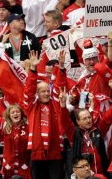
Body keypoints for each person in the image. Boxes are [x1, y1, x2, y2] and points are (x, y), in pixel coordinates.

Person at [22, 50, 66, 179]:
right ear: (37, 93)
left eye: (48, 91)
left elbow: (60, 86)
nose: (46, 94)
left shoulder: (56, 104)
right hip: (37, 152)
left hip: (55, 151)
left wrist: (61, 67)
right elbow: (29, 90)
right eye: (42, 92)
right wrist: (33, 68)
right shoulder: (31, 106)